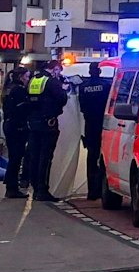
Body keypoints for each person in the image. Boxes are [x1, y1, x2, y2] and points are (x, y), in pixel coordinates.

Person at [24, 61, 70, 202]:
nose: (58, 73)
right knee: (45, 157)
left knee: (35, 156)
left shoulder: (34, 80)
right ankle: (43, 190)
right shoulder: (51, 82)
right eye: (58, 70)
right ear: (53, 69)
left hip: (34, 123)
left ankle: (36, 188)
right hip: (48, 123)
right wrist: (64, 88)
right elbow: (62, 99)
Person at [77, 63, 112, 201]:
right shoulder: (106, 86)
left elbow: (81, 106)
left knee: (91, 158)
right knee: (104, 158)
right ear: (99, 71)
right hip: (104, 125)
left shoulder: (83, 87)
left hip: (90, 125)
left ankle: (92, 191)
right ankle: (103, 188)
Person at [1, 66, 34, 201]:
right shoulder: (19, 90)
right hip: (17, 126)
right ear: (21, 77)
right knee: (16, 157)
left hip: (9, 125)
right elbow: (23, 108)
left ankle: (10, 185)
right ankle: (12, 187)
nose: (28, 80)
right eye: (26, 77)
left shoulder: (8, 89)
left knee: (14, 157)